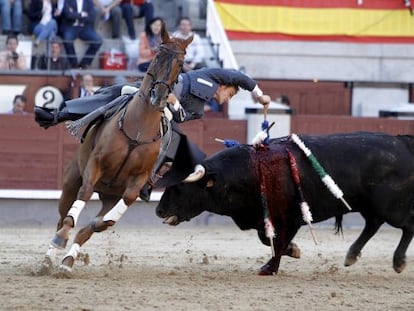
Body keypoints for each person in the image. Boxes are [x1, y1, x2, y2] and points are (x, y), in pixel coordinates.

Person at [34, 67, 271, 200]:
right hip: (150, 93)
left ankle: (147, 181)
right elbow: (242, 77)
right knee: (117, 94)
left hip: (162, 113)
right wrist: (258, 94)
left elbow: (179, 118)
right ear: (224, 84)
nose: (231, 96)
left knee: (174, 145)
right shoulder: (210, 76)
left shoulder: (199, 110)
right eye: (231, 92)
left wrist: (174, 103)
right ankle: (58, 115)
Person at [60, 0, 103, 69]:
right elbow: (68, 15)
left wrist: (75, 14)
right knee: (67, 39)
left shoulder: (88, 2)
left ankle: (85, 63)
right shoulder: (68, 1)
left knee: (98, 40)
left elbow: (91, 17)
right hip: (71, 26)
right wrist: (82, 14)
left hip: (84, 27)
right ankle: (73, 63)